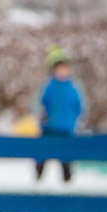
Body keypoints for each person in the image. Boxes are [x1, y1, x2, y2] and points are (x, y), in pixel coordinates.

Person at [34, 45, 84, 182]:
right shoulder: (49, 87)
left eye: (64, 69)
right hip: (49, 127)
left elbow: (78, 105)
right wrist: (43, 116)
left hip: (67, 128)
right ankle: (38, 176)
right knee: (42, 152)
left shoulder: (73, 88)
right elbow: (40, 103)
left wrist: (75, 119)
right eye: (59, 69)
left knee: (66, 156)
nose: (62, 72)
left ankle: (67, 179)